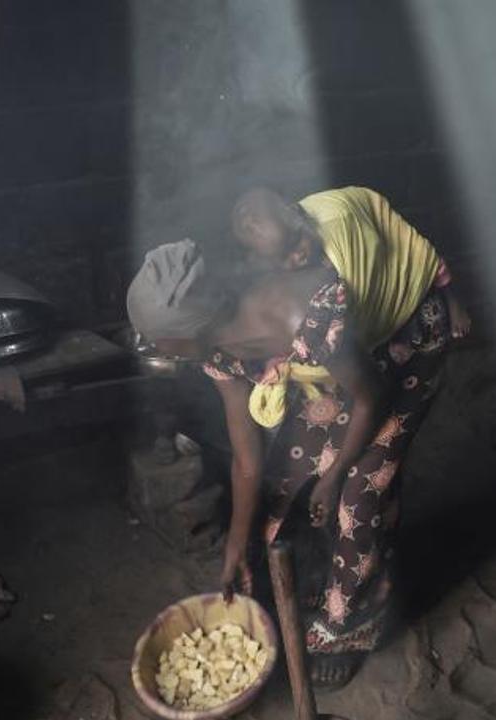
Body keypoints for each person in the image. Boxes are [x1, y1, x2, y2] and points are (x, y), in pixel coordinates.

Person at [127, 233, 452, 688]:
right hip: (341, 361)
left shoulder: (297, 315)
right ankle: (312, 579)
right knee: (288, 475)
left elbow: (370, 398)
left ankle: (349, 626)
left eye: (155, 342)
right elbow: (248, 461)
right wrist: (236, 545)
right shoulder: (218, 351)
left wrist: (336, 474)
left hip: (406, 346)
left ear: (186, 333)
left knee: (359, 495)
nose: (153, 350)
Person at [230, 185, 472, 341]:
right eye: (284, 258)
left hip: (381, 235)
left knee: (417, 254)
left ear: (297, 214)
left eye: (297, 243)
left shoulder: (339, 225)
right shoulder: (280, 259)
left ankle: (450, 298)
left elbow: (361, 292)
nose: (297, 257)